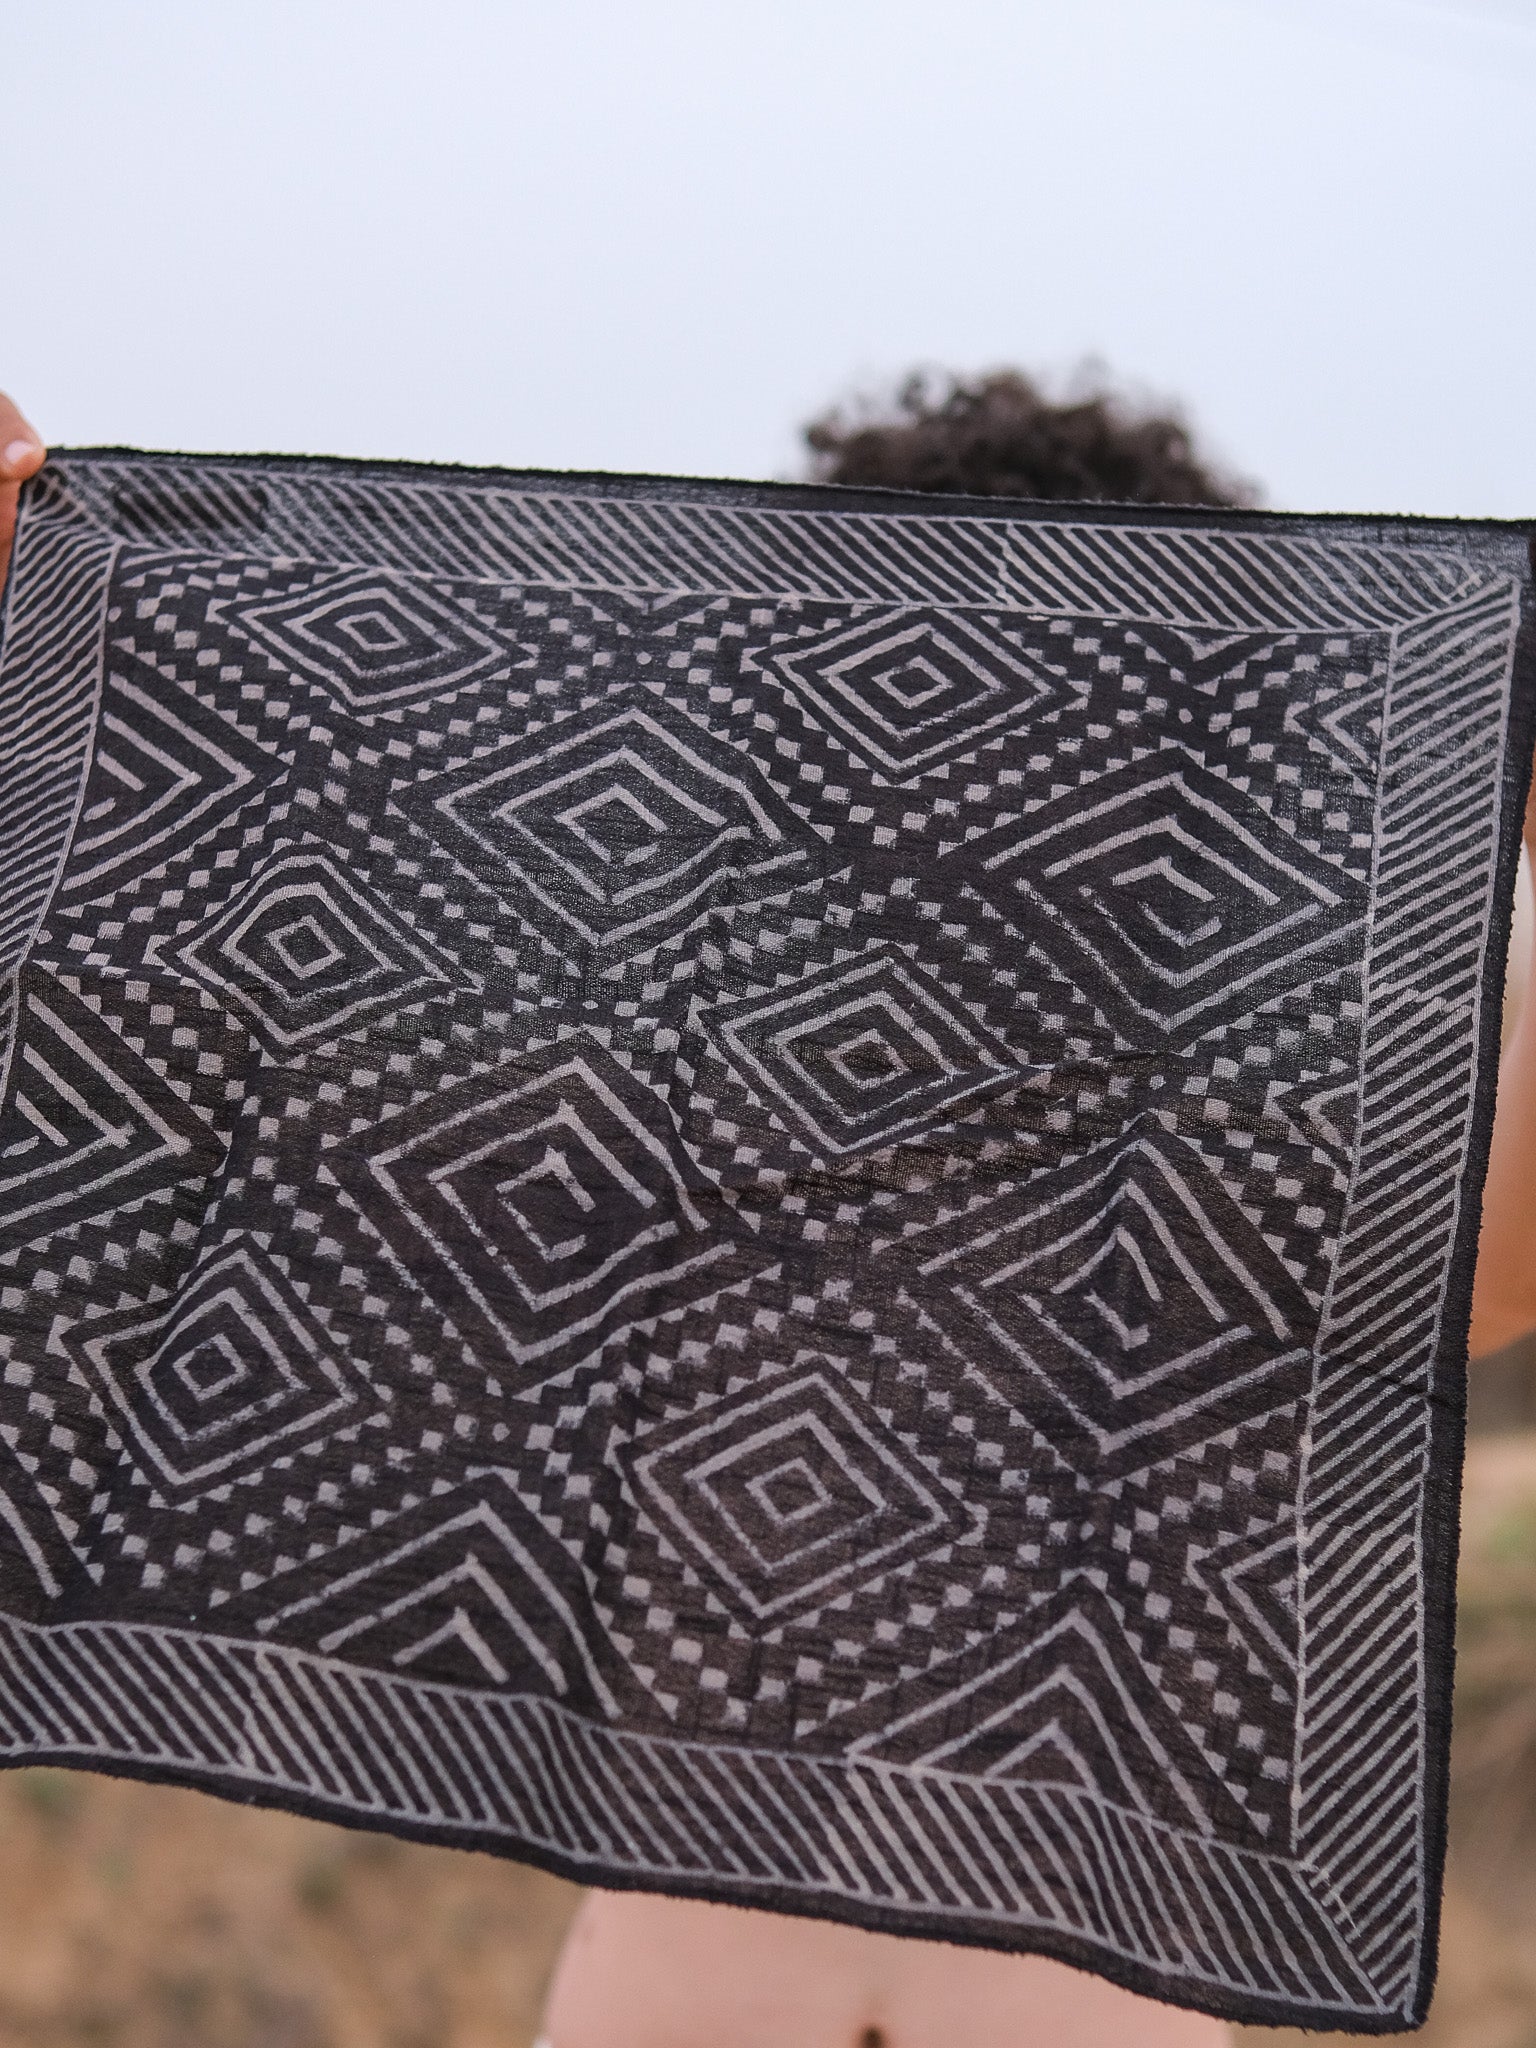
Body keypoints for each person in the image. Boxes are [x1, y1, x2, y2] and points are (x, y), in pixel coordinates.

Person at [0, 376, 1531, 2048]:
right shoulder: (657, 1145)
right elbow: (189, 1133)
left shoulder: (1268, 1157)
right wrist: (62, 640)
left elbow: (1497, 1259)